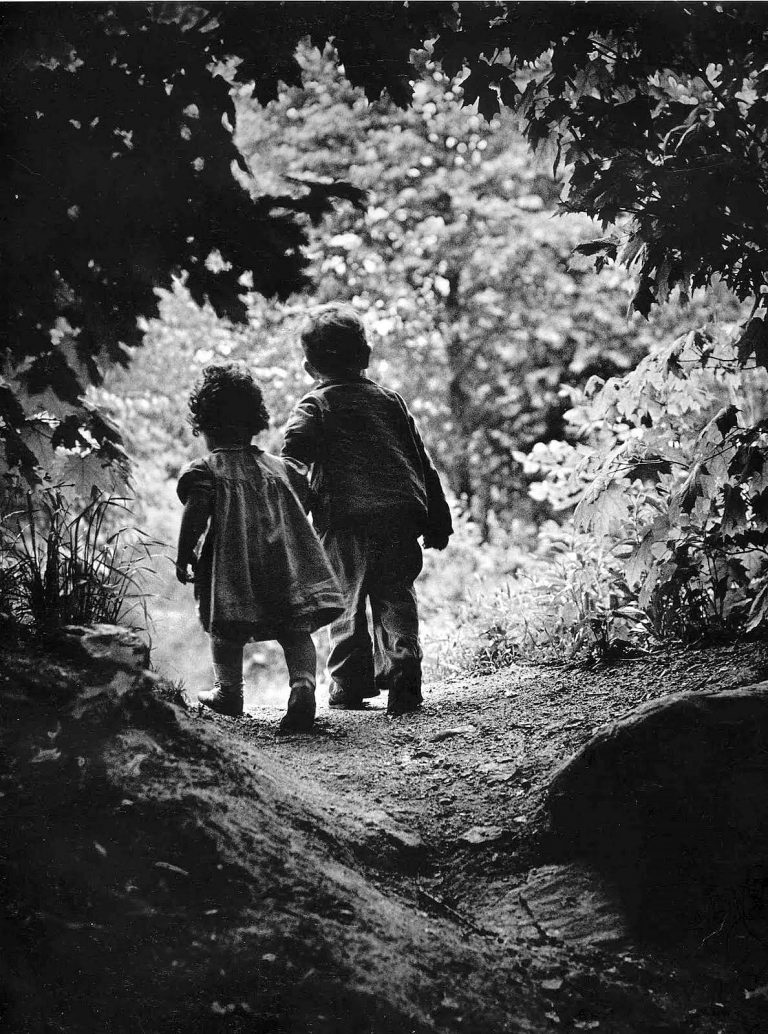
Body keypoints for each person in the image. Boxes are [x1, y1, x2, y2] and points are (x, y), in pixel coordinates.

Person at [282, 305, 453, 716]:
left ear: (310, 367)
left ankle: (348, 684)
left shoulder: (315, 405)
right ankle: (404, 669)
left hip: (344, 521)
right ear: (367, 355)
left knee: (345, 601)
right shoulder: (390, 402)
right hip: (399, 515)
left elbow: (293, 452)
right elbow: (421, 461)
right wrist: (438, 518)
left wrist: (294, 497)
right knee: (396, 595)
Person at [175, 363, 344, 732]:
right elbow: (307, 498)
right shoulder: (280, 468)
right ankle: (302, 686)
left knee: (224, 630)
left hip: (232, 568)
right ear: (255, 422)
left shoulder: (206, 470)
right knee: (296, 627)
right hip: (285, 563)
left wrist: (184, 552)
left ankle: (229, 693)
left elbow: (195, 513)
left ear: (205, 427)